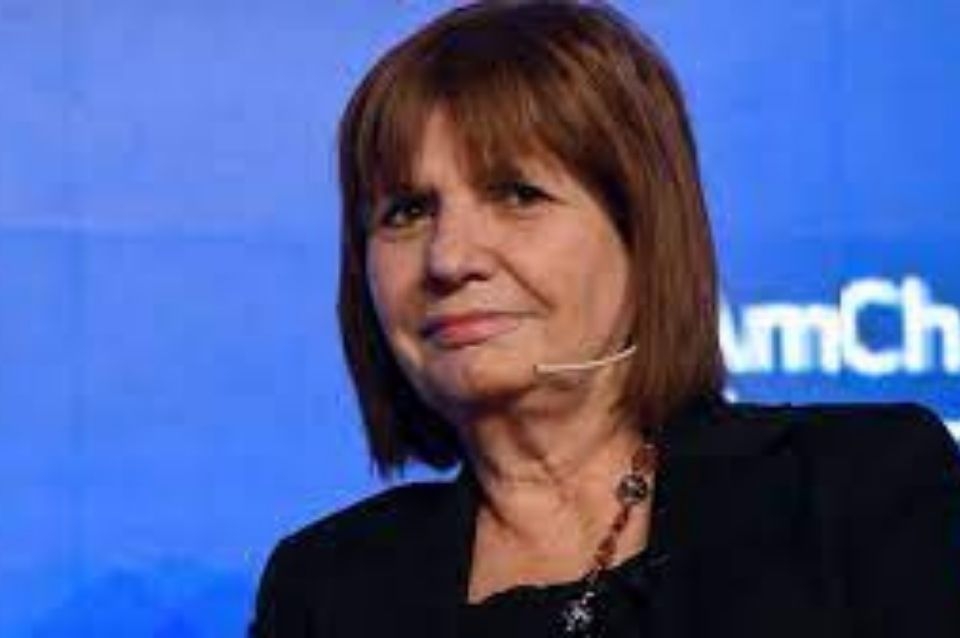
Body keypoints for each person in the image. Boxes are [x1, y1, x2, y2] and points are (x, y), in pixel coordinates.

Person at [249, 2, 960, 636]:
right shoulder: (323, 590)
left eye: (517, 195)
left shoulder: (859, 488)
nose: (449, 258)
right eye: (406, 212)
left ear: (643, 234)